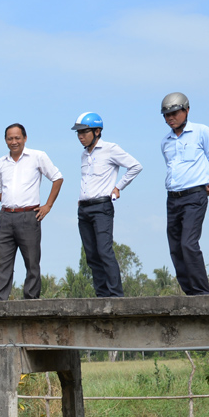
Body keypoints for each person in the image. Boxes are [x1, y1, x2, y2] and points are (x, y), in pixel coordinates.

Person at [72, 112, 141, 298]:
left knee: (104, 251)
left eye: (84, 132)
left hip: (102, 207)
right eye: (78, 132)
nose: (80, 136)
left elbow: (135, 166)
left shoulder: (110, 149)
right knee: (91, 255)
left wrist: (118, 187)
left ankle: (116, 296)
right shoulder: (83, 155)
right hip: (84, 208)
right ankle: (101, 296)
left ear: (97, 131)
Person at [0, 123, 62, 301]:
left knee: (31, 260)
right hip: (6, 216)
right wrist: (12, 204)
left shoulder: (37, 156)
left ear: (25, 138)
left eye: (17, 138)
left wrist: (48, 205)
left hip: (29, 215)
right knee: (2, 261)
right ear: (5, 140)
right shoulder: (1, 163)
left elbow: (57, 178)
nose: (14, 142)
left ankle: (31, 298)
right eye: (10, 138)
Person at [159, 92, 209, 295]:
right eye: (166, 115)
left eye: (174, 113)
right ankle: (189, 293)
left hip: (195, 196)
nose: (170, 118)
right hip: (173, 197)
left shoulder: (202, 132)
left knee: (188, 243)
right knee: (175, 246)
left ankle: (202, 293)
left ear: (186, 110)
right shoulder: (165, 141)